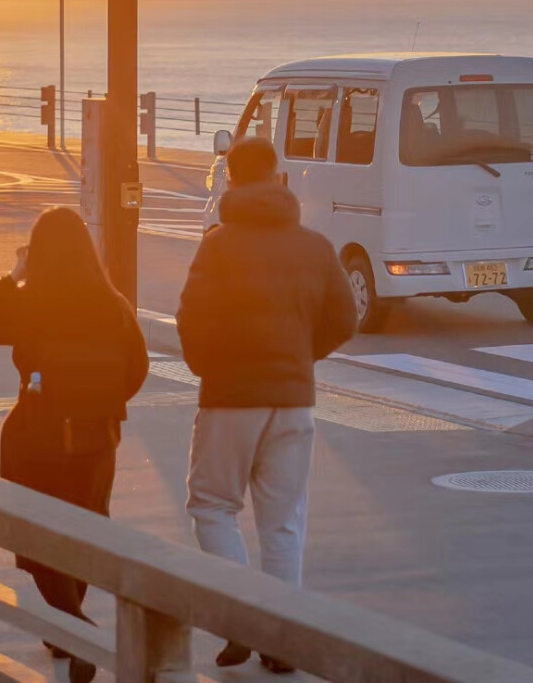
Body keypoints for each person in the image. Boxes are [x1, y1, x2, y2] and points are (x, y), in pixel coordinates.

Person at [177, 135, 357, 672]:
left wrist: (209, 367)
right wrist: (302, 357)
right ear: (277, 178)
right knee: (283, 522)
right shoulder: (315, 246)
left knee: (212, 506)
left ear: (230, 178)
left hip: (231, 397)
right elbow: (345, 321)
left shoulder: (218, 244)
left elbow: (191, 320)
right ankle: (282, 643)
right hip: (293, 399)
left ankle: (242, 621)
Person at [0, 206, 149, 683]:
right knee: (83, 529)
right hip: (96, 438)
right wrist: (100, 402)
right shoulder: (114, 304)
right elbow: (137, 370)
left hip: (37, 436)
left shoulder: (34, 300)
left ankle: (73, 627)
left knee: (35, 534)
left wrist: (14, 274)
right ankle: (67, 628)